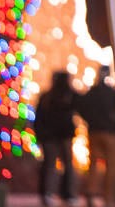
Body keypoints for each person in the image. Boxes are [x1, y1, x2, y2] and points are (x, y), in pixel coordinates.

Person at [76, 66, 115, 207]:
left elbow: (81, 107)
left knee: (93, 164)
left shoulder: (91, 93)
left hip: (94, 132)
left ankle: (91, 193)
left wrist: (91, 121)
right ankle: (108, 198)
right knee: (111, 167)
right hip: (112, 134)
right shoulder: (113, 93)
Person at [34, 71, 78, 206]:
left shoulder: (49, 97)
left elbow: (38, 118)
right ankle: (64, 194)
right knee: (59, 165)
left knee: (52, 165)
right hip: (56, 136)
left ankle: (51, 193)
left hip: (53, 136)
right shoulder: (67, 96)